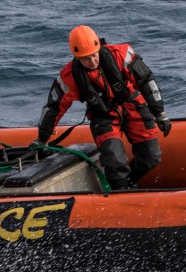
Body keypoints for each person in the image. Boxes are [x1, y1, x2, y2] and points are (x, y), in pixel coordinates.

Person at [35, 25, 171, 190]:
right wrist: (42, 138)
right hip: (103, 116)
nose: (91, 62)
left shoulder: (121, 55)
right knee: (114, 163)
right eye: (85, 59)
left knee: (151, 157)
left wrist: (159, 112)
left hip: (133, 106)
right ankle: (122, 192)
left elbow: (147, 80)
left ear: (98, 47)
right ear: (76, 57)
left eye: (94, 56)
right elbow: (54, 108)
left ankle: (127, 185)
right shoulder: (69, 77)